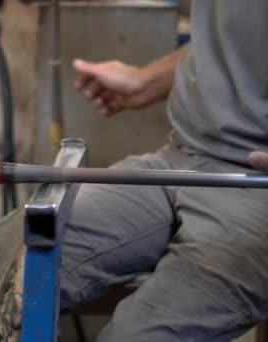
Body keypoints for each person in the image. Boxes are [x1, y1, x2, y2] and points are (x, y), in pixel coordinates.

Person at [62, 2, 268, 340]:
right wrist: (146, 81)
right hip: (178, 158)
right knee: (0, 274)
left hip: (257, 193)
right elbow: (234, 32)